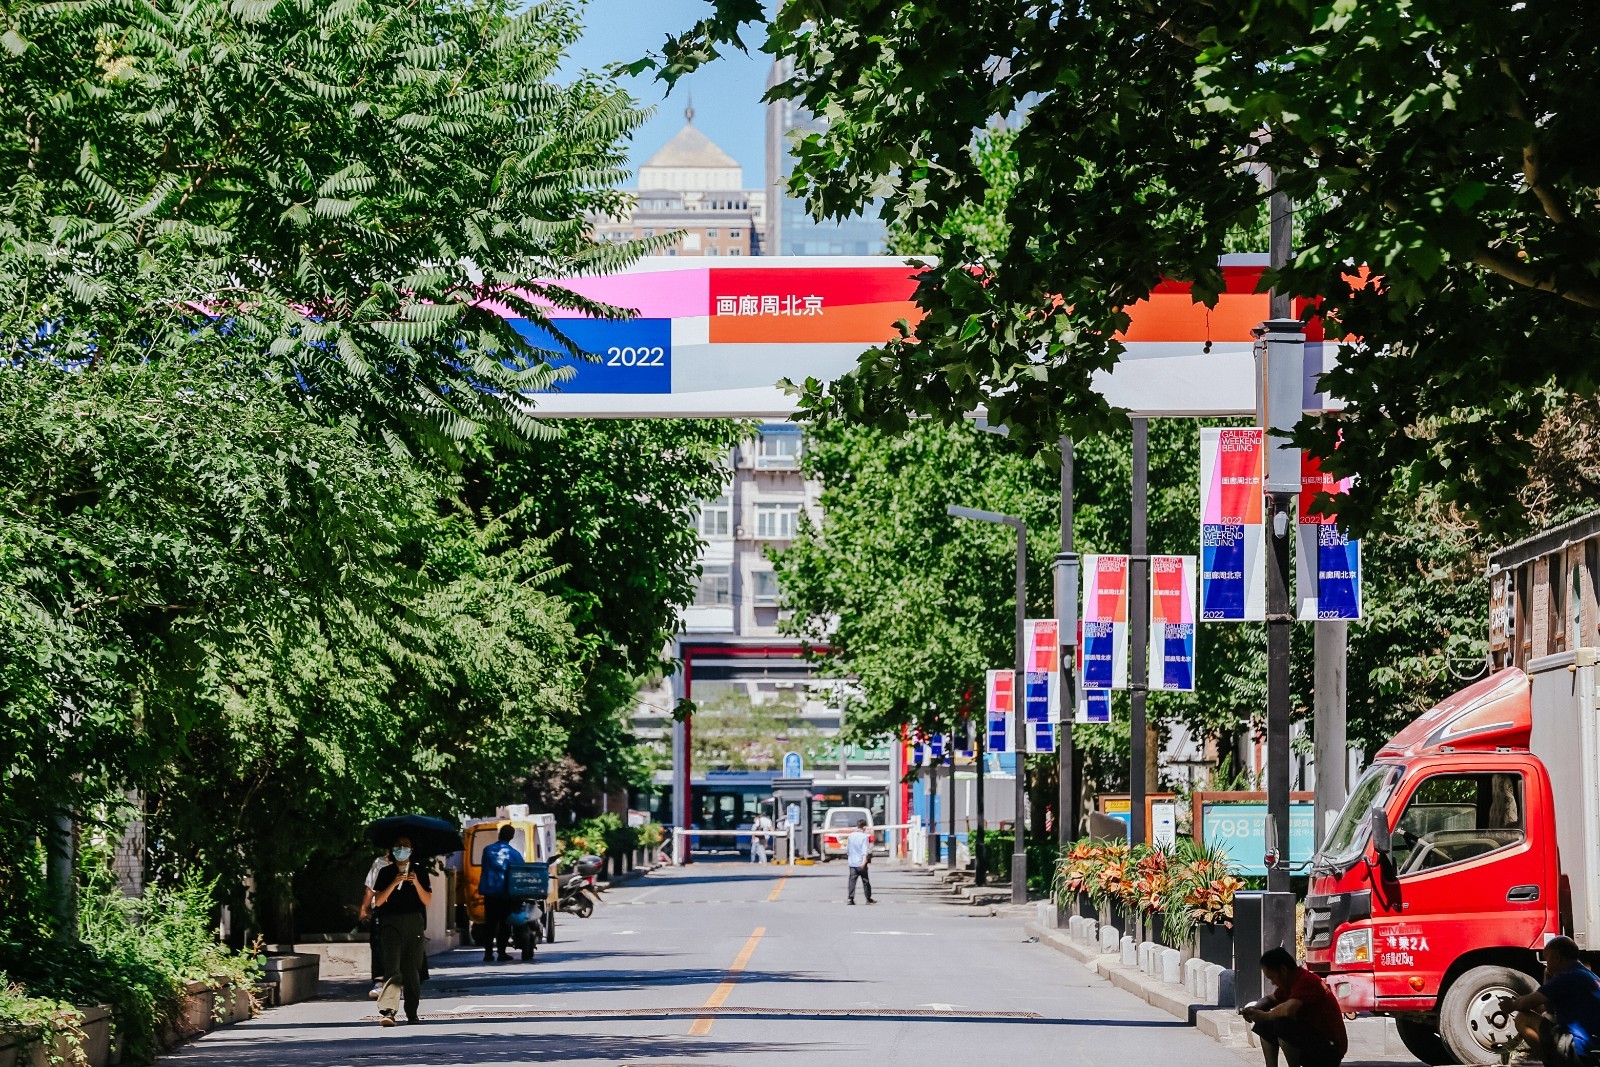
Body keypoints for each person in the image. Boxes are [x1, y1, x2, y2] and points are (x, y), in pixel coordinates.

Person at [1240, 946, 1348, 1067]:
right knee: (1265, 1024)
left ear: (1283, 970)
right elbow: (1270, 999)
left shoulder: (1306, 981)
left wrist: (1265, 1015)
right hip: (1314, 1042)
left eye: (1272, 977)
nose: (1272, 983)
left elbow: (1288, 1010)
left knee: (1283, 1025)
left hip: (1329, 1049)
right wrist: (1256, 1009)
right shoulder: (1289, 983)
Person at [1501, 935, 1600, 1066]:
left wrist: (1511, 1005)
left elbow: (1527, 1002)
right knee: (1545, 1016)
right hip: (1594, 1049)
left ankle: (1554, 1063)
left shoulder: (1567, 977)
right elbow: (1549, 1009)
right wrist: (1547, 977)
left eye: (1547, 960)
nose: (1547, 965)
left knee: (1522, 1018)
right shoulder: (1587, 975)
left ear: (1557, 957)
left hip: (1579, 1048)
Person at [370, 835, 433, 1026]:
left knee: (412, 969)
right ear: (392, 850)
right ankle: (388, 1011)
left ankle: (412, 1012)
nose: (401, 849)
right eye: (398, 846)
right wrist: (394, 882)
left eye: (405, 846)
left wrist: (416, 883)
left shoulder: (420, 872)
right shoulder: (386, 872)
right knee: (392, 967)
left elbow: (427, 900)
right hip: (391, 923)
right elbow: (378, 901)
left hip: (414, 923)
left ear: (411, 851)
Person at [477, 824, 523, 963]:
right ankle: (501, 953)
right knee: (504, 924)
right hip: (505, 893)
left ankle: (488, 953)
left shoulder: (487, 850)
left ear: (499, 834)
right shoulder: (514, 854)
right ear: (512, 837)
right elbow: (520, 870)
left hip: (489, 892)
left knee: (490, 923)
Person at [357, 849, 392, 999]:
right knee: (378, 944)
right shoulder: (380, 863)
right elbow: (370, 889)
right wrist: (364, 908)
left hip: (398, 910)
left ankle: (394, 983)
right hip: (381, 908)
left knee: (391, 944)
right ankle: (380, 981)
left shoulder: (411, 865)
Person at [845, 818, 876, 905]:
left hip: (852, 862)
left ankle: (850, 899)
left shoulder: (851, 836)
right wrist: (864, 861)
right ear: (864, 827)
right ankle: (868, 898)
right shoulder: (864, 837)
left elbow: (848, 849)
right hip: (860, 862)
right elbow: (864, 850)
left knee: (852, 880)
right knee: (865, 881)